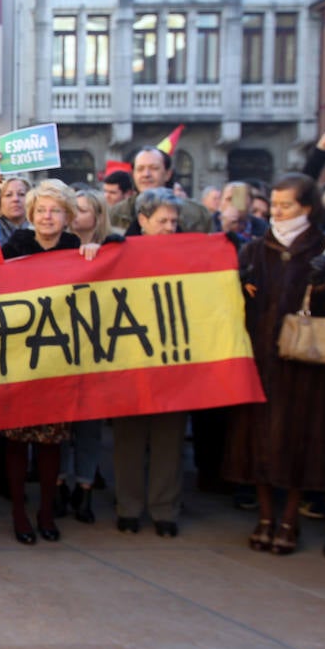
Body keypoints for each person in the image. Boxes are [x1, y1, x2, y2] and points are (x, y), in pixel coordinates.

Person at [226, 174, 325, 556]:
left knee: (298, 437)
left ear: (307, 207)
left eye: (286, 205)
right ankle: (264, 515)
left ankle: (290, 518)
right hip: (260, 356)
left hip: (305, 360)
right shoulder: (256, 249)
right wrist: (238, 285)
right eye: (274, 205)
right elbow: (236, 302)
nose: (278, 212)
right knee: (257, 436)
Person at [0, 180, 103, 544]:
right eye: (41, 210)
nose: (47, 216)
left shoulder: (77, 248)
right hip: (21, 358)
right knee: (16, 440)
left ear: (67, 217)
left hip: (58, 363)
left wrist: (99, 251)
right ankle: (18, 513)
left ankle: (45, 510)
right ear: (31, 214)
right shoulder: (14, 248)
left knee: (51, 441)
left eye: (55, 210)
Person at [111, 189, 191, 537]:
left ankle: (164, 510)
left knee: (169, 440)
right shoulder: (119, 252)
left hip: (173, 361)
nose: (170, 227)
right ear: (142, 221)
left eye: (174, 221)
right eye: (163, 221)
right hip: (131, 360)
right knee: (128, 438)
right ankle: (128, 507)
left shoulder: (190, 252)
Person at [110, 148, 213, 234]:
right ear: (133, 175)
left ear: (167, 174)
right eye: (140, 169)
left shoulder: (197, 215)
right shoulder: (115, 213)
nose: (146, 174)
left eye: (154, 168)